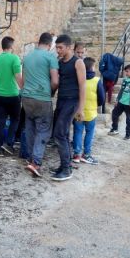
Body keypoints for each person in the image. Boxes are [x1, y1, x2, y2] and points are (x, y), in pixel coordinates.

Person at [21, 32, 59, 177]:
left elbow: (23, 80)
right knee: (43, 130)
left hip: (27, 97)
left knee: (30, 127)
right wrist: (51, 93)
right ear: (50, 45)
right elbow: (55, 81)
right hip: (42, 97)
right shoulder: (50, 57)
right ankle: (36, 162)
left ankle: (30, 158)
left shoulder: (28, 56)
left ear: (39, 42)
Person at [51, 34, 86, 181]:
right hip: (61, 100)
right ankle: (65, 165)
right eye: (57, 47)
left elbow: (82, 85)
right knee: (62, 134)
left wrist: (81, 108)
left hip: (72, 102)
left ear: (69, 47)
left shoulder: (78, 63)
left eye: (60, 47)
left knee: (59, 133)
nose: (58, 50)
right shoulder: (60, 62)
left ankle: (66, 169)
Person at [72, 57, 105, 165]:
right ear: (92, 67)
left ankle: (76, 154)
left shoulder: (77, 79)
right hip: (91, 112)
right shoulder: (96, 80)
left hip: (78, 111)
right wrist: (97, 105)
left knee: (77, 132)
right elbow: (101, 98)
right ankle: (86, 155)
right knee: (89, 133)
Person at [108, 64, 130, 140]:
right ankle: (115, 129)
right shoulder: (125, 80)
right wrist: (117, 100)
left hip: (129, 104)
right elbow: (121, 90)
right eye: (125, 72)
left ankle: (128, 134)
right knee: (114, 114)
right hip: (121, 102)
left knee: (129, 119)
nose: (126, 73)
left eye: (127, 71)